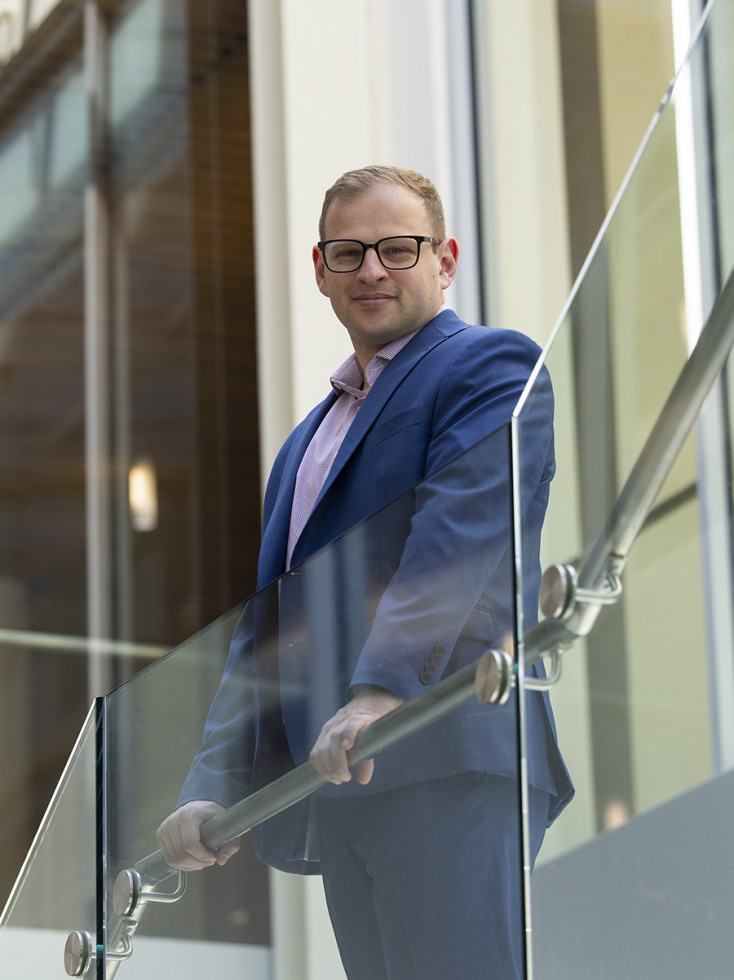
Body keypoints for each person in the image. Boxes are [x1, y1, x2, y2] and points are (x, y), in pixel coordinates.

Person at [157, 165, 573, 979]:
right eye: (348, 252)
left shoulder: (488, 367)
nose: (372, 269)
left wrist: (383, 689)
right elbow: (269, 626)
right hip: (336, 778)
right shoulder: (303, 445)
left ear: (445, 259)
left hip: (440, 749)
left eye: (397, 248)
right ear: (320, 271)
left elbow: (461, 533)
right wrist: (210, 782)